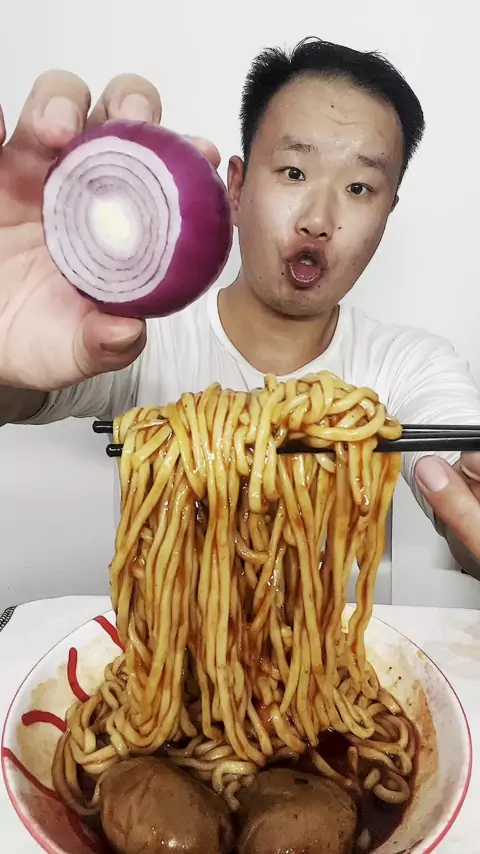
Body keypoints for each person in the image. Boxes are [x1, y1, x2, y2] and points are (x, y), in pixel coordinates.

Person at [1, 39, 480, 577]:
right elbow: (15, 394)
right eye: (294, 172)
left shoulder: (411, 366)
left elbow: (465, 504)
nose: (318, 219)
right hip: (166, 637)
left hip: (344, 636)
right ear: (236, 188)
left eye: (359, 187)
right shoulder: (137, 339)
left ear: (387, 213)